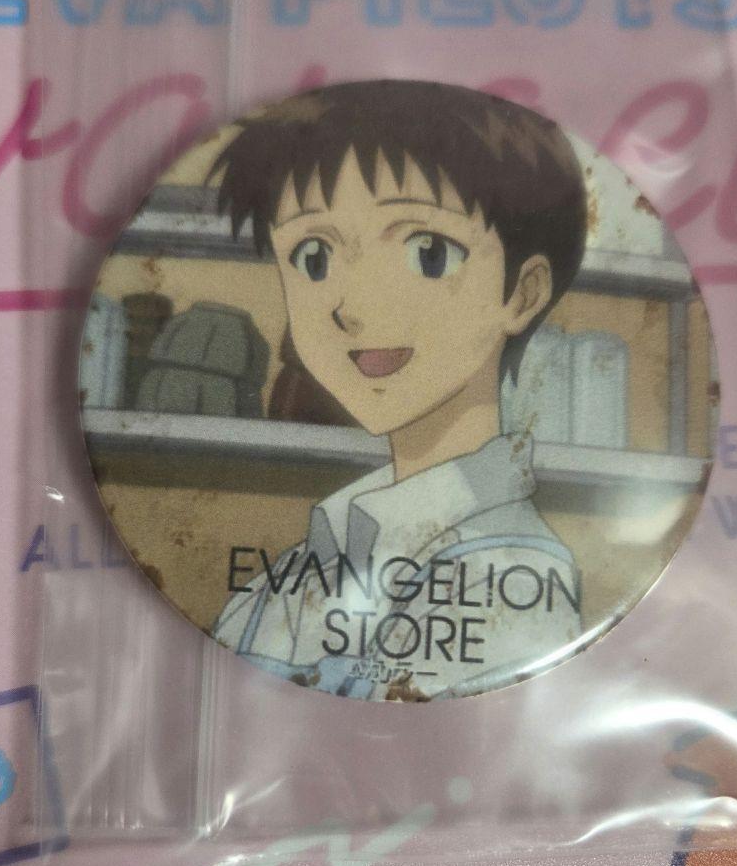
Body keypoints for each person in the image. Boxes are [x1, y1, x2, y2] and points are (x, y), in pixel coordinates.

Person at [209, 80, 587, 700]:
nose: (352, 309)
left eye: (428, 253)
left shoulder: (514, 581)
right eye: (313, 258)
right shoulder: (293, 570)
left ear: (523, 294)